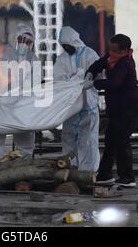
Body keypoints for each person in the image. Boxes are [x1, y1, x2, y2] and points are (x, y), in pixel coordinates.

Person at [85, 34, 138, 188]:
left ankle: (127, 177)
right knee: (110, 142)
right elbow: (99, 64)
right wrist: (90, 72)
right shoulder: (112, 58)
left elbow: (114, 83)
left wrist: (94, 83)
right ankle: (104, 175)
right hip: (117, 110)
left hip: (128, 110)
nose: (110, 52)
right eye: (109, 49)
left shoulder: (125, 63)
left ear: (124, 50)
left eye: (114, 50)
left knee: (122, 143)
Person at [0, 24, 40, 163]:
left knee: (25, 142)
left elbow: (36, 82)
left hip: (22, 106)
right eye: (22, 40)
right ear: (15, 38)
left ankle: (23, 172)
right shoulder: (1, 53)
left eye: (28, 42)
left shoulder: (33, 58)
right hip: (1, 104)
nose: (24, 44)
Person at [54, 27, 100, 172]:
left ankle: (89, 171)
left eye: (67, 45)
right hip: (70, 107)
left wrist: (84, 80)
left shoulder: (90, 54)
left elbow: (98, 74)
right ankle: (71, 168)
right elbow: (58, 78)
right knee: (68, 136)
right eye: (63, 46)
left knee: (88, 139)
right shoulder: (62, 59)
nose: (66, 48)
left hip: (88, 104)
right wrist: (72, 80)